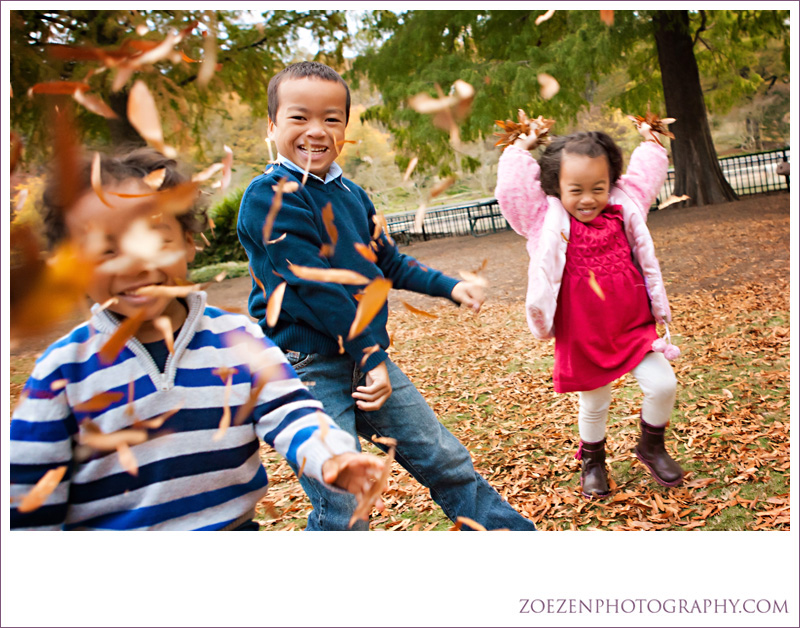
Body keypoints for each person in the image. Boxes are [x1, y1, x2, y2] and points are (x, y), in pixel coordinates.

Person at [10, 148, 385, 530]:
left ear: (189, 241)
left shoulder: (237, 341)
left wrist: (331, 456)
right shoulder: (62, 373)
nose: (135, 263)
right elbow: (28, 503)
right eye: (106, 250)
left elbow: (291, 410)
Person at [237, 61, 536, 531]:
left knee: (445, 459)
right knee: (344, 498)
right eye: (299, 117)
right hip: (310, 365)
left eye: (332, 118)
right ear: (272, 125)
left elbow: (389, 263)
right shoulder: (270, 196)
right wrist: (370, 355)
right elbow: (319, 287)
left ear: (345, 128)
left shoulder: (351, 194)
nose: (316, 130)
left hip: (366, 359)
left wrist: (449, 286)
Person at [495, 115, 684, 498]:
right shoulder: (544, 218)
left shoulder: (624, 205)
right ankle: (592, 461)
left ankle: (651, 445)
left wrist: (649, 142)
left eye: (598, 187)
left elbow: (645, 177)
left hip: (633, 327)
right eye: (575, 189)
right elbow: (513, 190)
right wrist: (520, 148)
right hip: (584, 334)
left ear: (610, 183)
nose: (587, 199)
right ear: (556, 187)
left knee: (663, 384)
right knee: (595, 402)